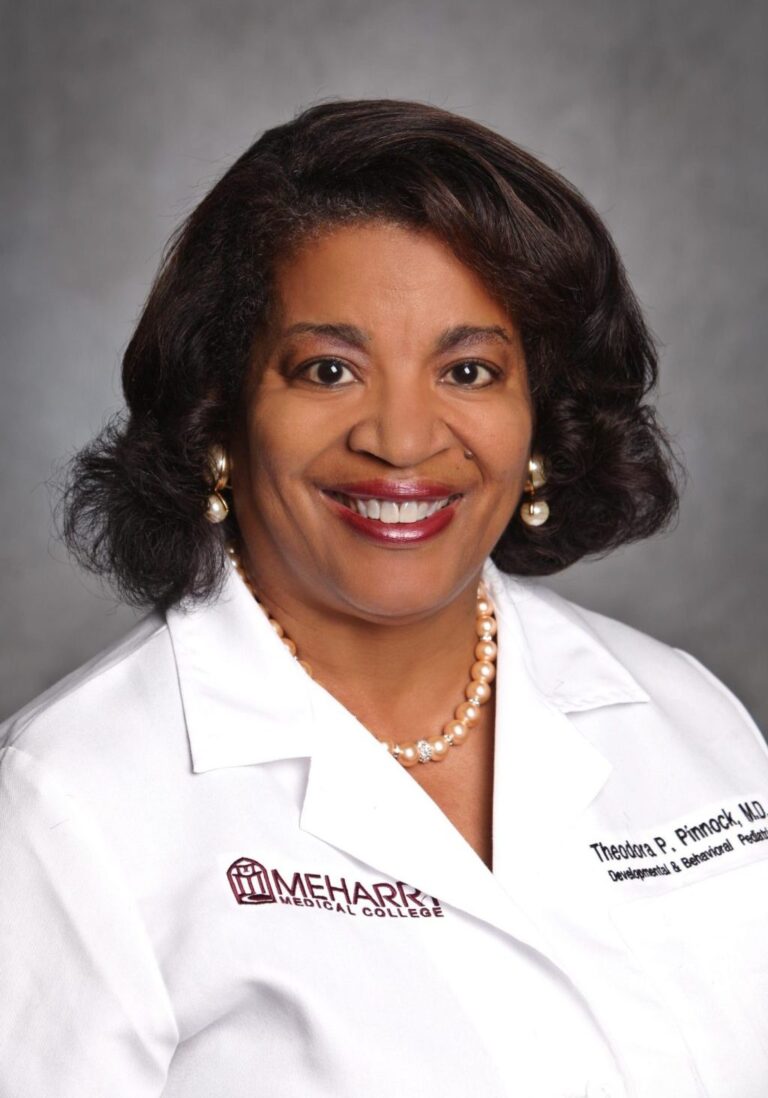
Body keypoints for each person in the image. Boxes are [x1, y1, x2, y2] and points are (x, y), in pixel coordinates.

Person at [1, 98, 766, 1098]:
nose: (402, 440)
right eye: (328, 370)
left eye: (469, 369)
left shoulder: (691, 716)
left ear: (539, 419)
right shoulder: (68, 808)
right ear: (218, 411)